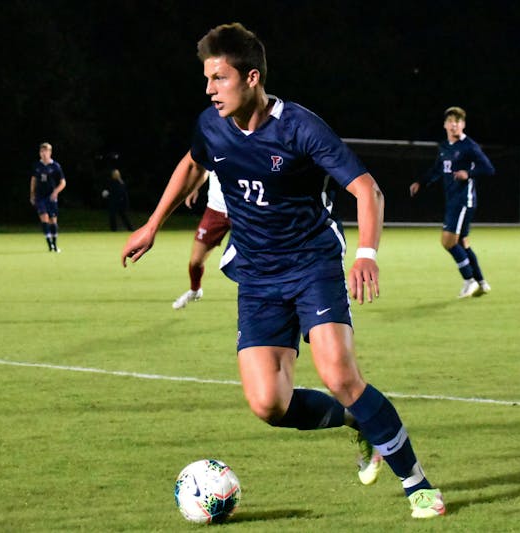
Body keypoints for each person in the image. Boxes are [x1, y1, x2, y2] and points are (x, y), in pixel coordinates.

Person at [121, 23, 444, 519]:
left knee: (338, 373)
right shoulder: (211, 125)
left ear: (251, 77)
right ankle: (360, 423)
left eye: (219, 78)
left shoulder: (300, 128)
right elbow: (191, 162)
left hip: (311, 263)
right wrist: (152, 223)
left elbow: (367, 191)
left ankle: (416, 483)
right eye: (206, 78)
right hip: (256, 274)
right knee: (268, 404)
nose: (209, 89)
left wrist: (366, 254)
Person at [409, 106, 495, 298]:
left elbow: (489, 168)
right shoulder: (444, 147)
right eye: (451, 121)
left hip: (463, 200)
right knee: (463, 242)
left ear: (463, 125)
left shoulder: (469, 146)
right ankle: (481, 282)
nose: (454, 125)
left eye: (458, 121)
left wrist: (469, 174)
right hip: (452, 199)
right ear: (445, 125)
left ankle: (469, 280)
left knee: (447, 242)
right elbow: (438, 169)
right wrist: (421, 183)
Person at [172, 170, 230, 309]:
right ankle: (195, 290)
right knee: (196, 261)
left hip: (243, 209)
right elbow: (205, 171)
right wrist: (195, 187)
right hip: (215, 211)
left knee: (252, 260)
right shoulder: (214, 148)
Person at [29, 142, 66, 252]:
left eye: (45, 151)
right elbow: (33, 180)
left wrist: (56, 192)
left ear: (50, 152)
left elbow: (63, 182)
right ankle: (50, 245)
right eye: (41, 152)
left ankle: (55, 243)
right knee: (44, 217)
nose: (43, 154)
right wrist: (32, 194)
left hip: (51, 197)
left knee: (53, 221)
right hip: (40, 196)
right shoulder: (37, 166)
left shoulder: (55, 166)